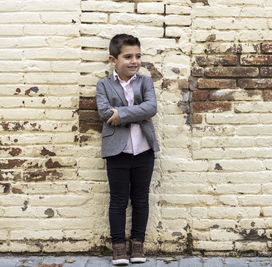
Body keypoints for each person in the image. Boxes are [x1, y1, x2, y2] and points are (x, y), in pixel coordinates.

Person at [96, 33, 160, 266]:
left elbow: (151, 107)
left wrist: (121, 113)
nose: (135, 61)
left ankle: (138, 245)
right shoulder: (103, 85)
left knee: (141, 199)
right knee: (118, 200)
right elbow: (104, 112)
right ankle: (118, 247)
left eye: (138, 56)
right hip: (117, 151)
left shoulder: (145, 82)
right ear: (113, 60)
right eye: (128, 57)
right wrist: (137, 111)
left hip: (144, 150)